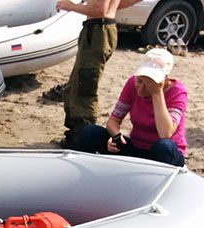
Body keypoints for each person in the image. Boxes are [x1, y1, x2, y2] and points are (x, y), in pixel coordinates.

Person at [76, 48, 187, 166]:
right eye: (139, 81)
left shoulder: (177, 91)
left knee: (164, 146)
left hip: (164, 153)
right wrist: (116, 136)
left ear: (164, 80)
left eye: (148, 84)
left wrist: (156, 93)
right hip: (136, 147)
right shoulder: (131, 83)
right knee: (90, 132)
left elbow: (165, 133)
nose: (141, 88)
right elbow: (114, 120)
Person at [55, 0, 142, 148]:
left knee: (84, 88)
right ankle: (75, 135)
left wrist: (70, 6)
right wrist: (112, 7)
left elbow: (99, 10)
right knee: (75, 85)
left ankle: (82, 140)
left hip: (98, 30)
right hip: (100, 28)